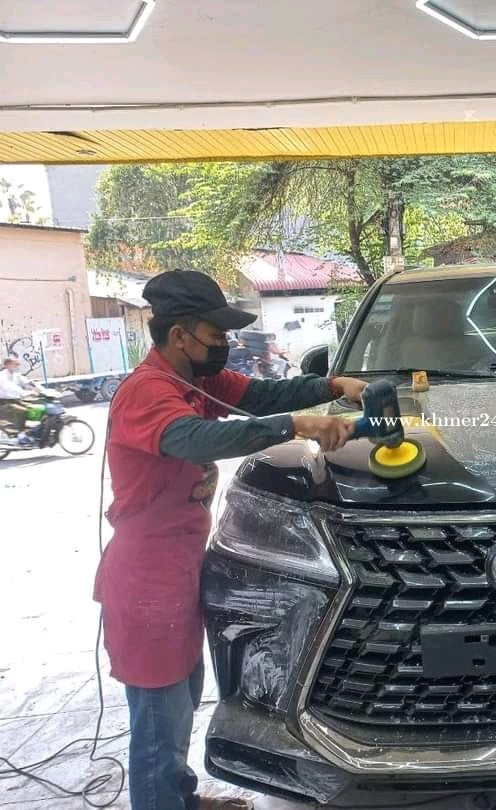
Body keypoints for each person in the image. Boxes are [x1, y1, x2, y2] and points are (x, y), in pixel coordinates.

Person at [93, 270, 367, 810]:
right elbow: (198, 439)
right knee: (159, 715)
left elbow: (260, 394)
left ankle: (180, 798)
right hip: (145, 578)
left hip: (178, 565)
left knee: (181, 695)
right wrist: (298, 426)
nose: (224, 344)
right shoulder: (148, 392)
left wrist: (331, 387)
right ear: (180, 336)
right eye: (215, 334)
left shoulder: (194, 381)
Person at [0, 356, 40, 439]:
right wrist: (27, 393)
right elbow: (11, 388)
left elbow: (27, 382)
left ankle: (34, 430)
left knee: (36, 407)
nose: (18, 366)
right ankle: (19, 434)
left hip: (16, 400)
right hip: (4, 402)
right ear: (7, 365)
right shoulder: (2, 376)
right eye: (15, 364)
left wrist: (39, 388)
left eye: (18, 364)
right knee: (22, 410)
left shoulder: (16, 375)